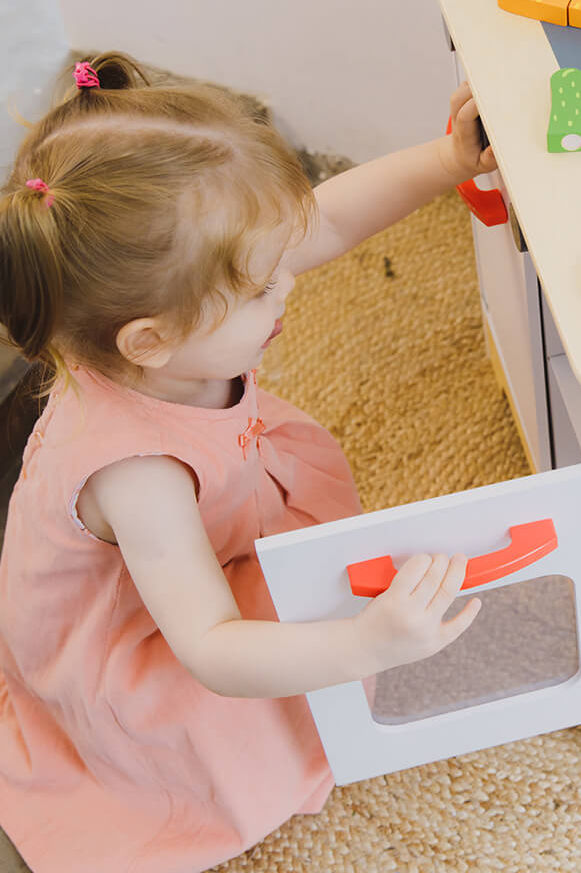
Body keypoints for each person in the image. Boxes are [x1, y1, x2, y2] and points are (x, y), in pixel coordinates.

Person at [0, 52, 497, 873]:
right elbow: (211, 646)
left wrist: (447, 160)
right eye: (264, 288)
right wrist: (364, 646)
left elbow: (323, 223)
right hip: (156, 630)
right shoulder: (136, 473)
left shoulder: (174, 328)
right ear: (150, 341)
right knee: (242, 722)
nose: (292, 287)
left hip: (213, 530)